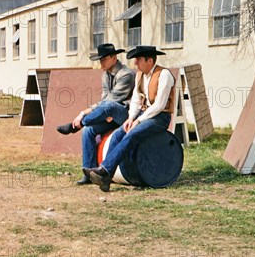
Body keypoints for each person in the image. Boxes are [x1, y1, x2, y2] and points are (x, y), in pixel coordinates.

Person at [85, 45, 176, 192]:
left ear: (150, 60)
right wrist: (131, 118)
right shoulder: (140, 75)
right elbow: (135, 100)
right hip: (142, 115)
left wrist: (139, 121)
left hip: (160, 118)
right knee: (118, 135)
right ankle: (107, 176)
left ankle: (104, 170)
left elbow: (159, 105)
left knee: (132, 134)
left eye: (138, 59)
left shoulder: (164, 74)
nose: (135, 63)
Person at [56, 43, 135, 185]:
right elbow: (104, 100)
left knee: (110, 105)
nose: (101, 62)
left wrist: (84, 114)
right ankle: (88, 172)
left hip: (126, 115)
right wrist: (84, 113)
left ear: (114, 57)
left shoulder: (126, 74)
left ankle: (76, 126)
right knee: (88, 130)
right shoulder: (105, 75)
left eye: (104, 59)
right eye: (100, 60)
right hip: (109, 113)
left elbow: (113, 100)